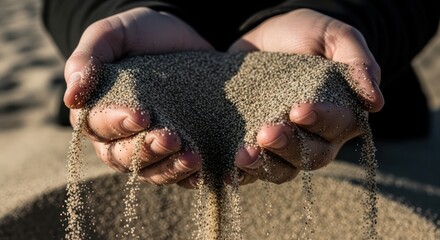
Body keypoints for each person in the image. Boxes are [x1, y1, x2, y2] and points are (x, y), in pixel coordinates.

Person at [42, 0, 440, 188]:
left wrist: (345, 16)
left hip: (359, 133)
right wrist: (113, 12)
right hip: (137, 100)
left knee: (294, 130)